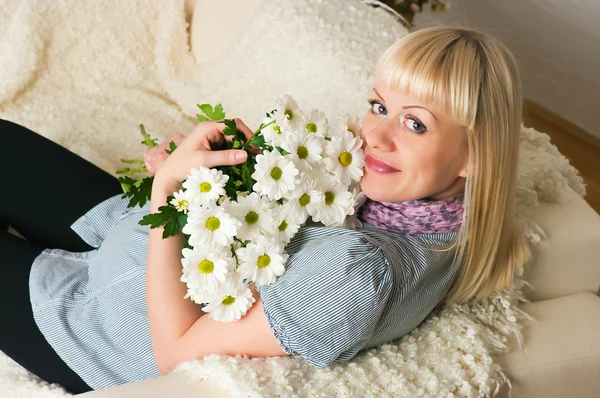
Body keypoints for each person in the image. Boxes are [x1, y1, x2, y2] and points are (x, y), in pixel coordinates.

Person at [0, 26, 531, 394]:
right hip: (127, 236)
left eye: (415, 124)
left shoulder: (359, 276)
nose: (376, 136)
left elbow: (176, 357)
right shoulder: (408, 200)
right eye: (379, 106)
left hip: (99, 328)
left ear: (474, 157)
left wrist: (167, 197)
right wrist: (221, 176)